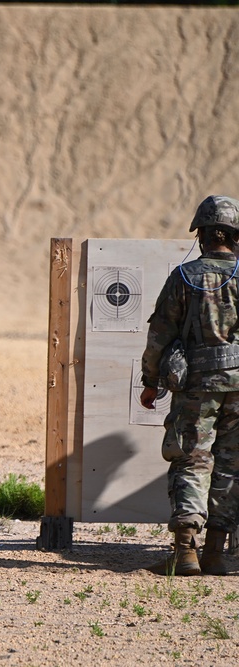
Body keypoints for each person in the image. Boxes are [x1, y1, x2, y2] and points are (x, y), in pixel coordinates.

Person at [140, 195, 239, 577]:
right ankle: (215, 553)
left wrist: (151, 383)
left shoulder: (184, 277)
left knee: (192, 461)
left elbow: (159, 336)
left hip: (196, 388)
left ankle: (186, 552)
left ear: (203, 234)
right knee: (230, 467)